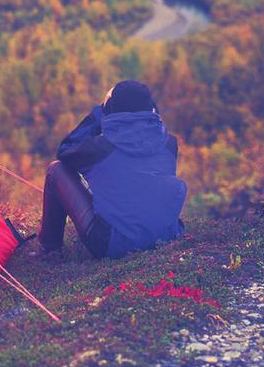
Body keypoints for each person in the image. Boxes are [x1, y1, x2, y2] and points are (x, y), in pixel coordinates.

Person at [34, 80, 187, 259]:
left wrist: (100, 112)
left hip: (111, 245)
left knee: (56, 170)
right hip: (166, 236)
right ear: (150, 108)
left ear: (111, 108)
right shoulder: (169, 143)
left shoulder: (99, 148)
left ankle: (50, 248)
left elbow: (65, 150)